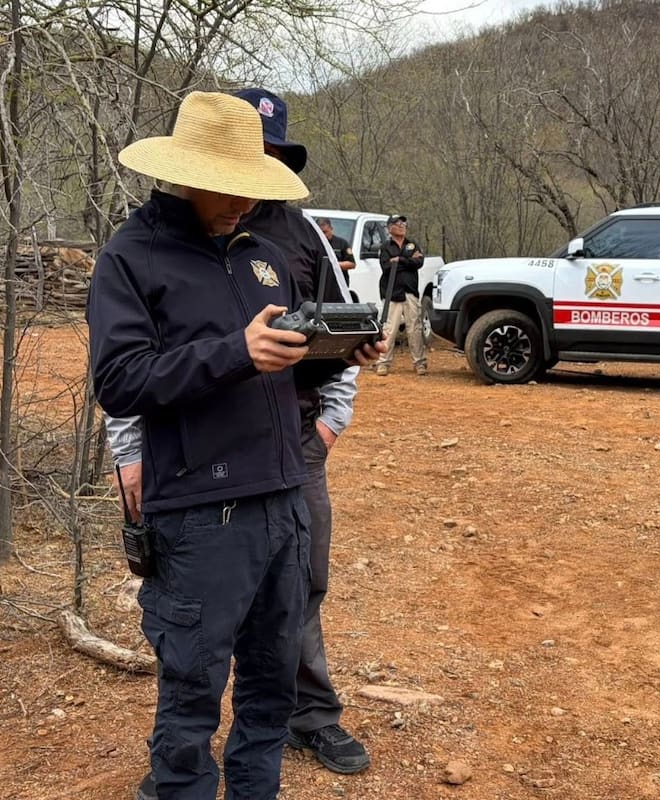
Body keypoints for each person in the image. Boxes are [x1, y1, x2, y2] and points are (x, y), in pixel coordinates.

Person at [87, 91, 383, 800]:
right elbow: (121, 380)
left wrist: (339, 353)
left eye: (253, 190)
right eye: (230, 189)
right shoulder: (133, 258)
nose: (243, 205)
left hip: (282, 499)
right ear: (185, 173)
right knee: (191, 700)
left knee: (270, 690)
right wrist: (236, 352)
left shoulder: (264, 254)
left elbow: (282, 361)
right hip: (199, 514)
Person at [374, 214, 428, 376]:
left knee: (415, 328)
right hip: (392, 293)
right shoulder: (385, 247)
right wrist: (406, 261)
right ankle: (383, 362)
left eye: (403, 222)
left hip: (410, 291)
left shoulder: (412, 244)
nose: (402, 225)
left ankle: (420, 363)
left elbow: (419, 262)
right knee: (389, 329)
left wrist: (399, 260)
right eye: (398, 223)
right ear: (390, 227)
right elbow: (386, 267)